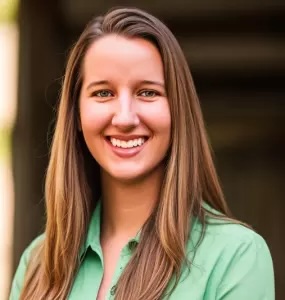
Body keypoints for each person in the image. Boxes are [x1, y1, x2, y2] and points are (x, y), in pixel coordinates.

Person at [9, 7, 274, 300]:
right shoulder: (36, 265)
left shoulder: (235, 257)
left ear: (177, 111)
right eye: (103, 93)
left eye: (147, 92)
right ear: (76, 115)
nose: (124, 118)